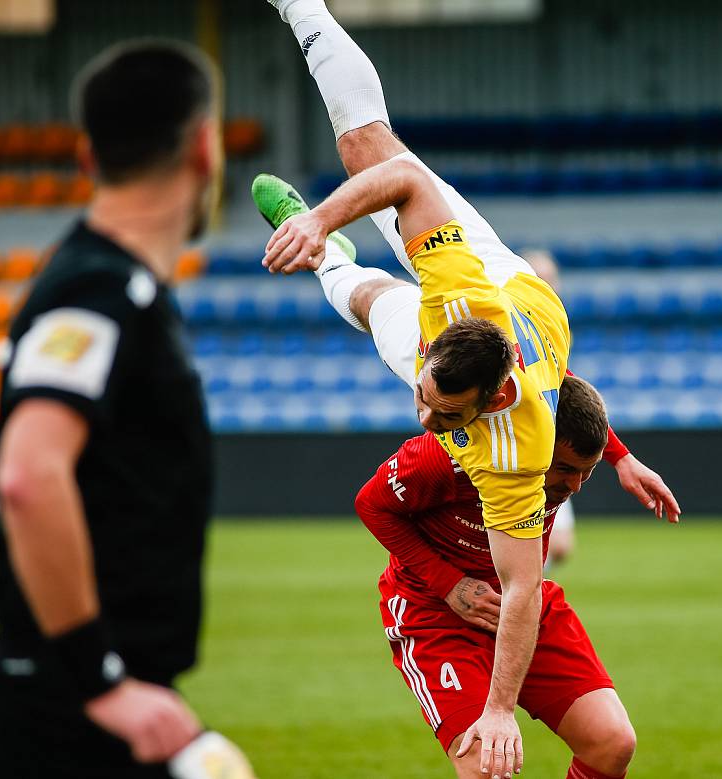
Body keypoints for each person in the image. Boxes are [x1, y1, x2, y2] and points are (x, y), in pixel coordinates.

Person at [256, 3, 680, 777]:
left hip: (512, 323)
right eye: (425, 396)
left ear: (488, 403)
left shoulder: (513, 453)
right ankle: (301, 8)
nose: (421, 416)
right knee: (367, 150)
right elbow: (405, 179)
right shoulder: (456, 301)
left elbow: (522, 590)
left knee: (367, 294)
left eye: (442, 412)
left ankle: (335, 263)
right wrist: (317, 217)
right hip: (496, 287)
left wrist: (496, 708)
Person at [0, 40, 222, 779]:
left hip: (85, 696)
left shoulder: (117, 289)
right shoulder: (100, 292)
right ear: (205, 149)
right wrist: (101, 678)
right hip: (72, 705)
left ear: (88, 156)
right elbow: (27, 473)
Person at [355, 375, 638, 779]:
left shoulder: (553, 463)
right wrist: (449, 584)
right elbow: (371, 504)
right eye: (564, 470)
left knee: (612, 743)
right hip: (436, 615)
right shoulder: (445, 457)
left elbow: (556, 380)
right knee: (486, 766)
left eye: (586, 473)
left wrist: (622, 457)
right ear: (533, 438)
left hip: (521, 603)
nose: (573, 486)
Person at [518, 248, 575, 566]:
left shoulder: (555, 323)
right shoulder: (507, 320)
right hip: (510, 451)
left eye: (551, 279)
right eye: (541, 278)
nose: (548, 285)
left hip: (548, 449)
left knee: (559, 549)